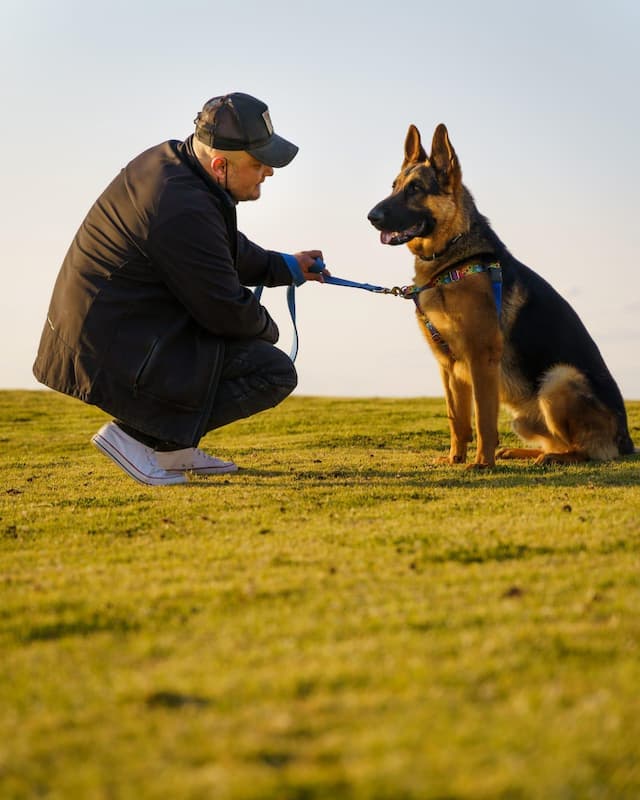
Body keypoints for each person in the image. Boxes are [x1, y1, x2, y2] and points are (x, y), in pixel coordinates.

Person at [33, 92, 327, 486]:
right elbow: (223, 308)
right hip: (110, 346)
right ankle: (134, 438)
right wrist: (269, 331)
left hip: (120, 331)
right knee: (272, 370)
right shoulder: (181, 205)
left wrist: (286, 266)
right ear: (221, 165)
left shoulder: (180, 168)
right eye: (259, 164)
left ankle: (173, 450)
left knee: (246, 354)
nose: (268, 173)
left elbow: (218, 245)